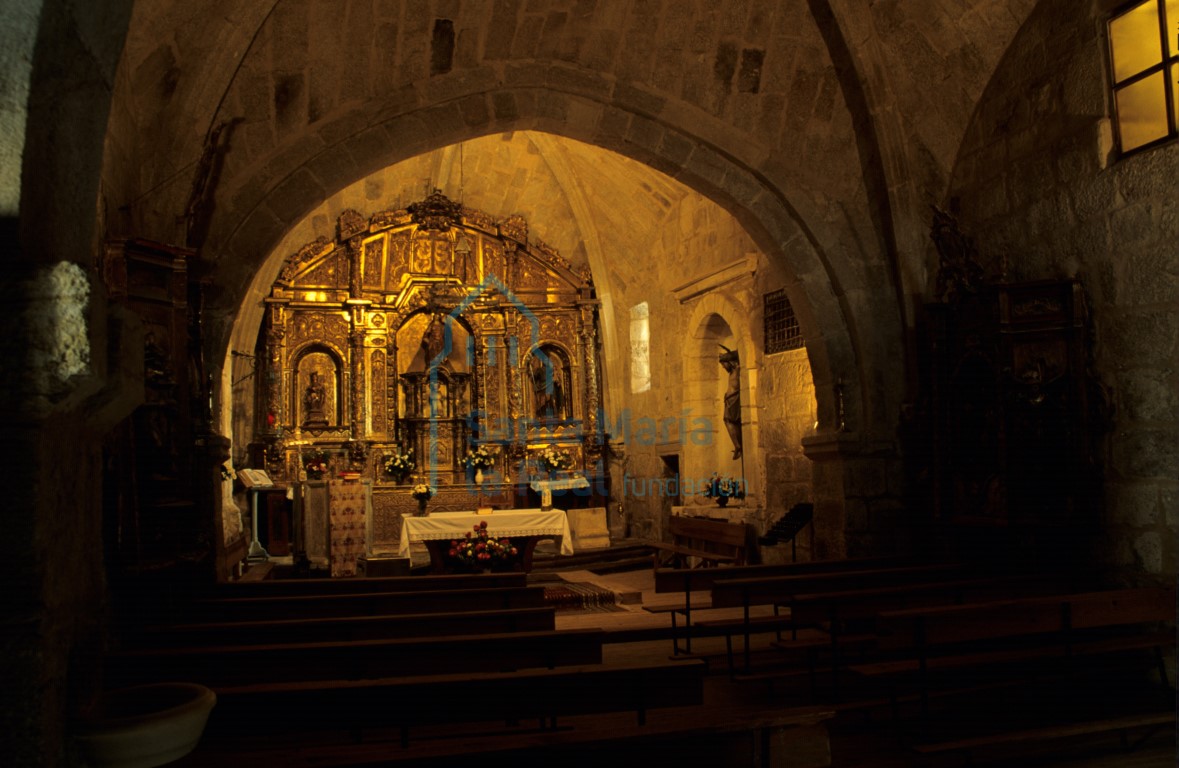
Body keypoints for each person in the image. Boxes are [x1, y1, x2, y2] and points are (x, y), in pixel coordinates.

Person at [720, 346, 742, 459]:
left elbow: (740, 352)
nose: (723, 367)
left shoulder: (738, 369)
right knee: (728, 421)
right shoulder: (732, 372)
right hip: (730, 400)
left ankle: (738, 445)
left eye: (724, 364)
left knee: (728, 420)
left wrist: (728, 355)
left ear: (729, 362)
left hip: (734, 400)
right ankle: (737, 445)